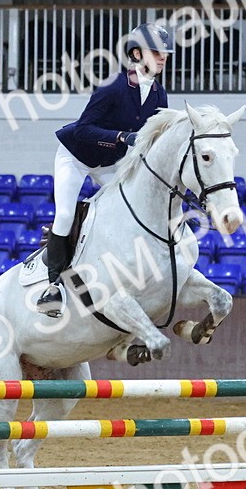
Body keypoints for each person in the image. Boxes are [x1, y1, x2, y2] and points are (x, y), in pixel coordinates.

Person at [36, 22, 174, 315]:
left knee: (128, 209)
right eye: (156, 52)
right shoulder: (113, 86)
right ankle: (53, 286)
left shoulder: (159, 95)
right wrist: (122, 137)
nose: (163, 57)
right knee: (65, 213)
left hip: (109, 164)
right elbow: (83, 129)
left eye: (164, 53)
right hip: (75, 156)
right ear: (136, 53)